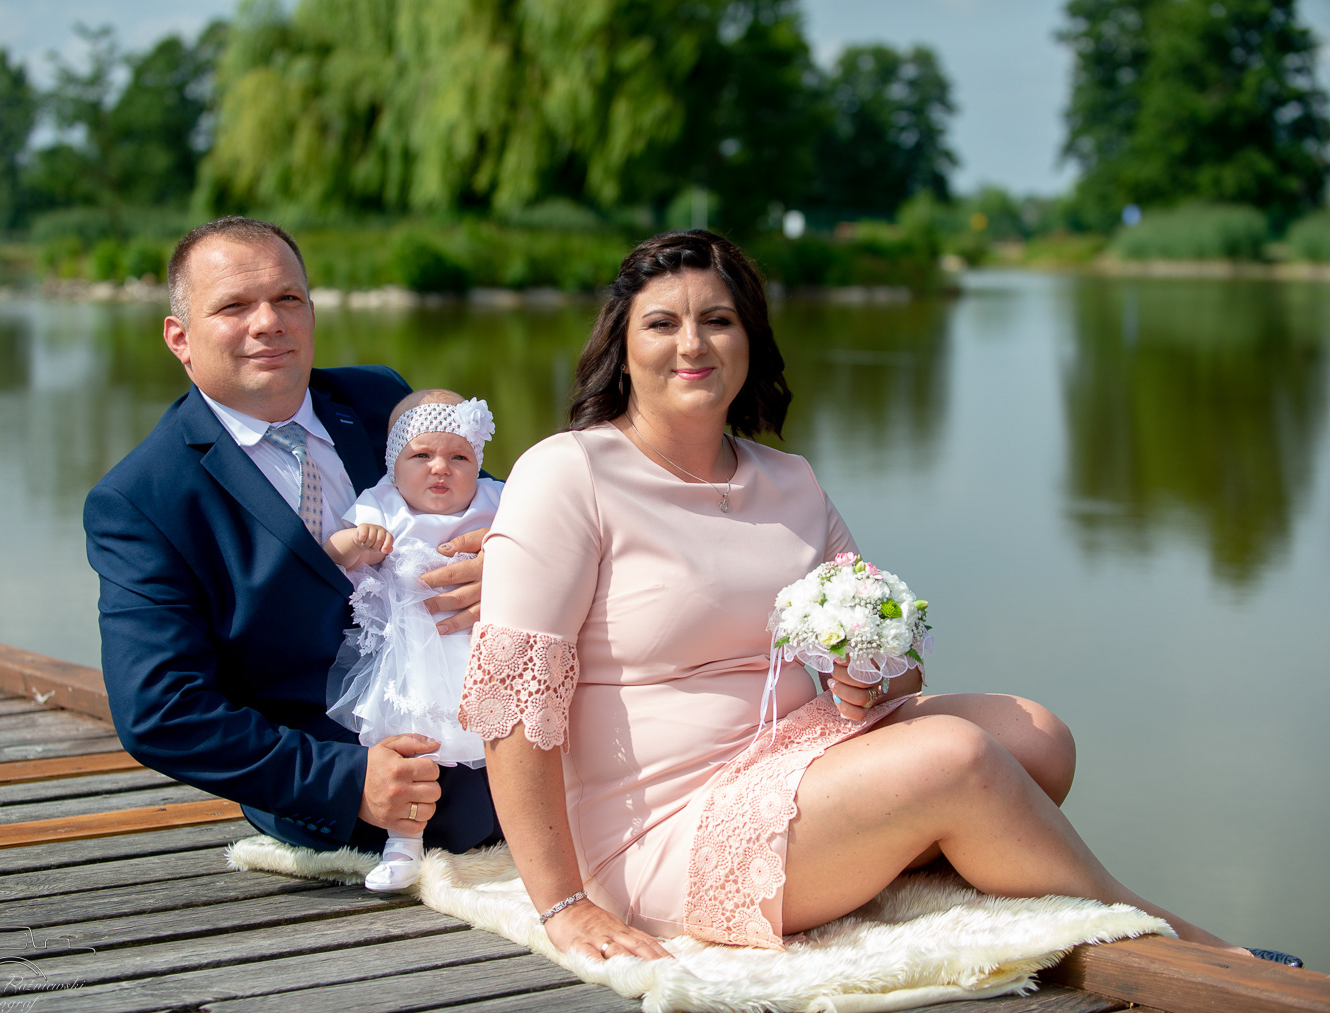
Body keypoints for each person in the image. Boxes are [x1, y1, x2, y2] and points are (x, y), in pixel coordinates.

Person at [459, 229, 1273, 964]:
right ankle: (1170, 937)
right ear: (623, 346)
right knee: (958, 760)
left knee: (1038, 737)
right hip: (665, 828)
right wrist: (562, 904)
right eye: (662, 323)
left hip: (797, 754)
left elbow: (896, 661)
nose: (693, 344)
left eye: (718, 320)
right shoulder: (569, 474)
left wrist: (869, 673)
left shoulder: (790, 480)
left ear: (750, 339)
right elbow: (512, 705)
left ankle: (920, 837)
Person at [84, 216, 498, 857]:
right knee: (475, 808)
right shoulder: (142, 499)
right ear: (179, 338)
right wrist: (346, 781)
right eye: (234, 306)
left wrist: (503, 558)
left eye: (287, 298)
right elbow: (160, 711)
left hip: (462, 684)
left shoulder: (380, 401)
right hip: (327, 755)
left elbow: (496, 505)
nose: (268, 322)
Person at [324, 388, 502, 890]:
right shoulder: (384, 505)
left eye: (459, 457)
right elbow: (334, 554)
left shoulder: (497, 499)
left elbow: (549, 538)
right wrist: (357, 543)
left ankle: (543, 828)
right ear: (394, 466)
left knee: (515, 742)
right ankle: (403, 844)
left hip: (490, 650)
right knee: (411, 753)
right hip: (414, 657)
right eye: (421, 456)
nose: (440, 468)